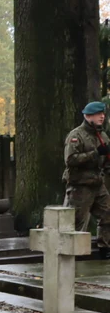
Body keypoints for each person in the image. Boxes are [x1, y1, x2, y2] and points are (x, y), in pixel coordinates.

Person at [64, 101, 110, 258]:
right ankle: (74, 253)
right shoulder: (76, 135)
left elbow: (106, 158)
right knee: (78, 220)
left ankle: (105, 247)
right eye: (98, 114)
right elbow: (70, 160)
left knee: (107, 214)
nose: (102, 116)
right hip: (80, 185)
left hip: (97, 182)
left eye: (103, 113)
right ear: (88, 116)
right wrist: (95, 153)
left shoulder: (102, 135)